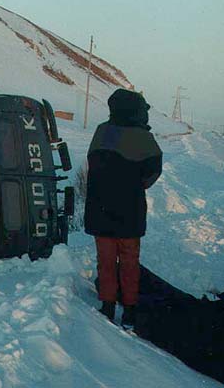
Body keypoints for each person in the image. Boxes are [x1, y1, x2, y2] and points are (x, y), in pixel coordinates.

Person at [85, 89, 162, 328]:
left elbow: (92, 163)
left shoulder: (101, 131)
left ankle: (107, 307)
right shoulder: (144, 138)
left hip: (100, 210)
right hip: (130, 212)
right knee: (129, 261)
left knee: (106, 261)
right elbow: (153, 172)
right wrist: (136, 186)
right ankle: (129, 310)